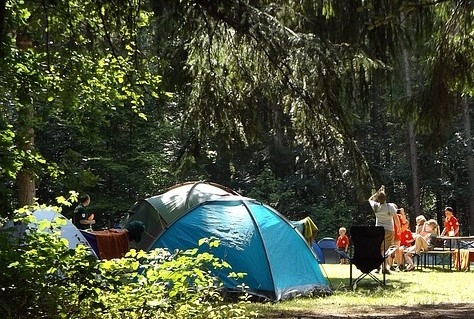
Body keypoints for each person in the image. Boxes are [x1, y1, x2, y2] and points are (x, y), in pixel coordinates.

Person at [368, 185, 401, 274]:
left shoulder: (375, 206)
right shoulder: (390, 207)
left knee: (379, 249)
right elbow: (396, 218)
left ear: (378, 199)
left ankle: (379, 267)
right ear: (386, 198)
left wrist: (377, 193)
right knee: (386, 250)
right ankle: (384, 268)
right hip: (389, 230)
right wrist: (399, 228)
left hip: (378, 230)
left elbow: (370, 199)